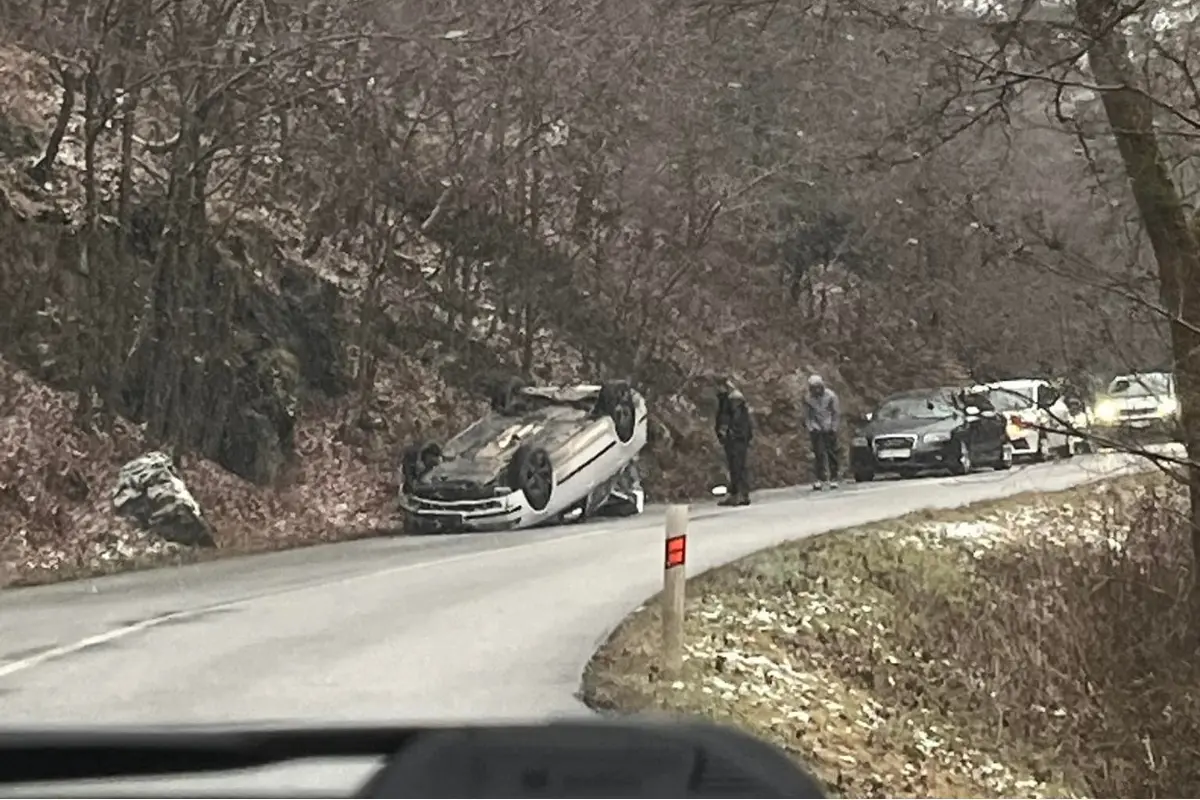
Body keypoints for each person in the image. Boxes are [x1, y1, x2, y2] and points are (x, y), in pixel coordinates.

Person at [715, 376, 753, 506]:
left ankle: (739, 493)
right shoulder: (729, 399)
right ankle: (739, 493)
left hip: (736, 438)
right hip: (739, 437)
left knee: (737, 466)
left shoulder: (732, 400)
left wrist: (727, 432)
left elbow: (731, 420)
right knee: (737, 466)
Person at [804, 374, 841, 490]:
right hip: (816, 429)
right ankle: (820, 478)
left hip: (829, 427)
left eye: (818, 387)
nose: (816, 390)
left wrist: (834, 427)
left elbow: (836, 413)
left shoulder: (831, 396)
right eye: (813, 387)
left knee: (832, 453)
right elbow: (807, 415)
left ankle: (834, 477)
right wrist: (811, 427)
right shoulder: (808, 399)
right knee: (818, 454)